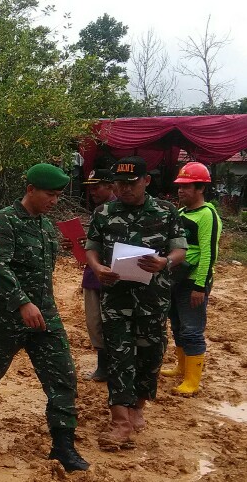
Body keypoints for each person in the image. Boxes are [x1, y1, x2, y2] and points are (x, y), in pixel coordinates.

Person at [0, 163, 89, 473]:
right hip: (6, 317)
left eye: (58, 196)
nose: (54, 202)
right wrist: (22, 303)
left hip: (45, 317)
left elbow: (43, 269)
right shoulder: (5, 220)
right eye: (49, 195)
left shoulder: (46, 227)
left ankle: (63, 445)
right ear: (30, 190)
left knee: (63, 377)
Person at [85, 156, 187, 448]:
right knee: (118, 355)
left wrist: (164, 261)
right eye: (119, 183)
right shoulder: (104, 212)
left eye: (130, 183)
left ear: (146, 181)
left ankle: (137, 408)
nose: (124, 189)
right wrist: (96, 267)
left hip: (153, 299)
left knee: (150, 356)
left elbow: (180, 249)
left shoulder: (166, 212)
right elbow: (92, 247)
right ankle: (120, 421)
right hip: (116, 299)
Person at [161, 162, 222, 396]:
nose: (181, 191)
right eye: (179, 187)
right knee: (176, 325)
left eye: (187, 187)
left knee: (192, 329)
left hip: (193, 281)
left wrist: (200, 286)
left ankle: (192, 380)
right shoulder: (183, 213)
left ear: (200, 189)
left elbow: (208, 252)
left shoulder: (208, 215)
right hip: (176, 278)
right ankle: (181, 366)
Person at [80, 169, 116, 381]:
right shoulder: (99, 211)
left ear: (110, 186)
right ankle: (103, 365)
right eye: (90, 188)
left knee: (107, 321)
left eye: (96, 187)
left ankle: (108, 367)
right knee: (94, 321)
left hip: (112, 273)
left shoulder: (117, 210)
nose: (92, 192)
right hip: (94, 273)